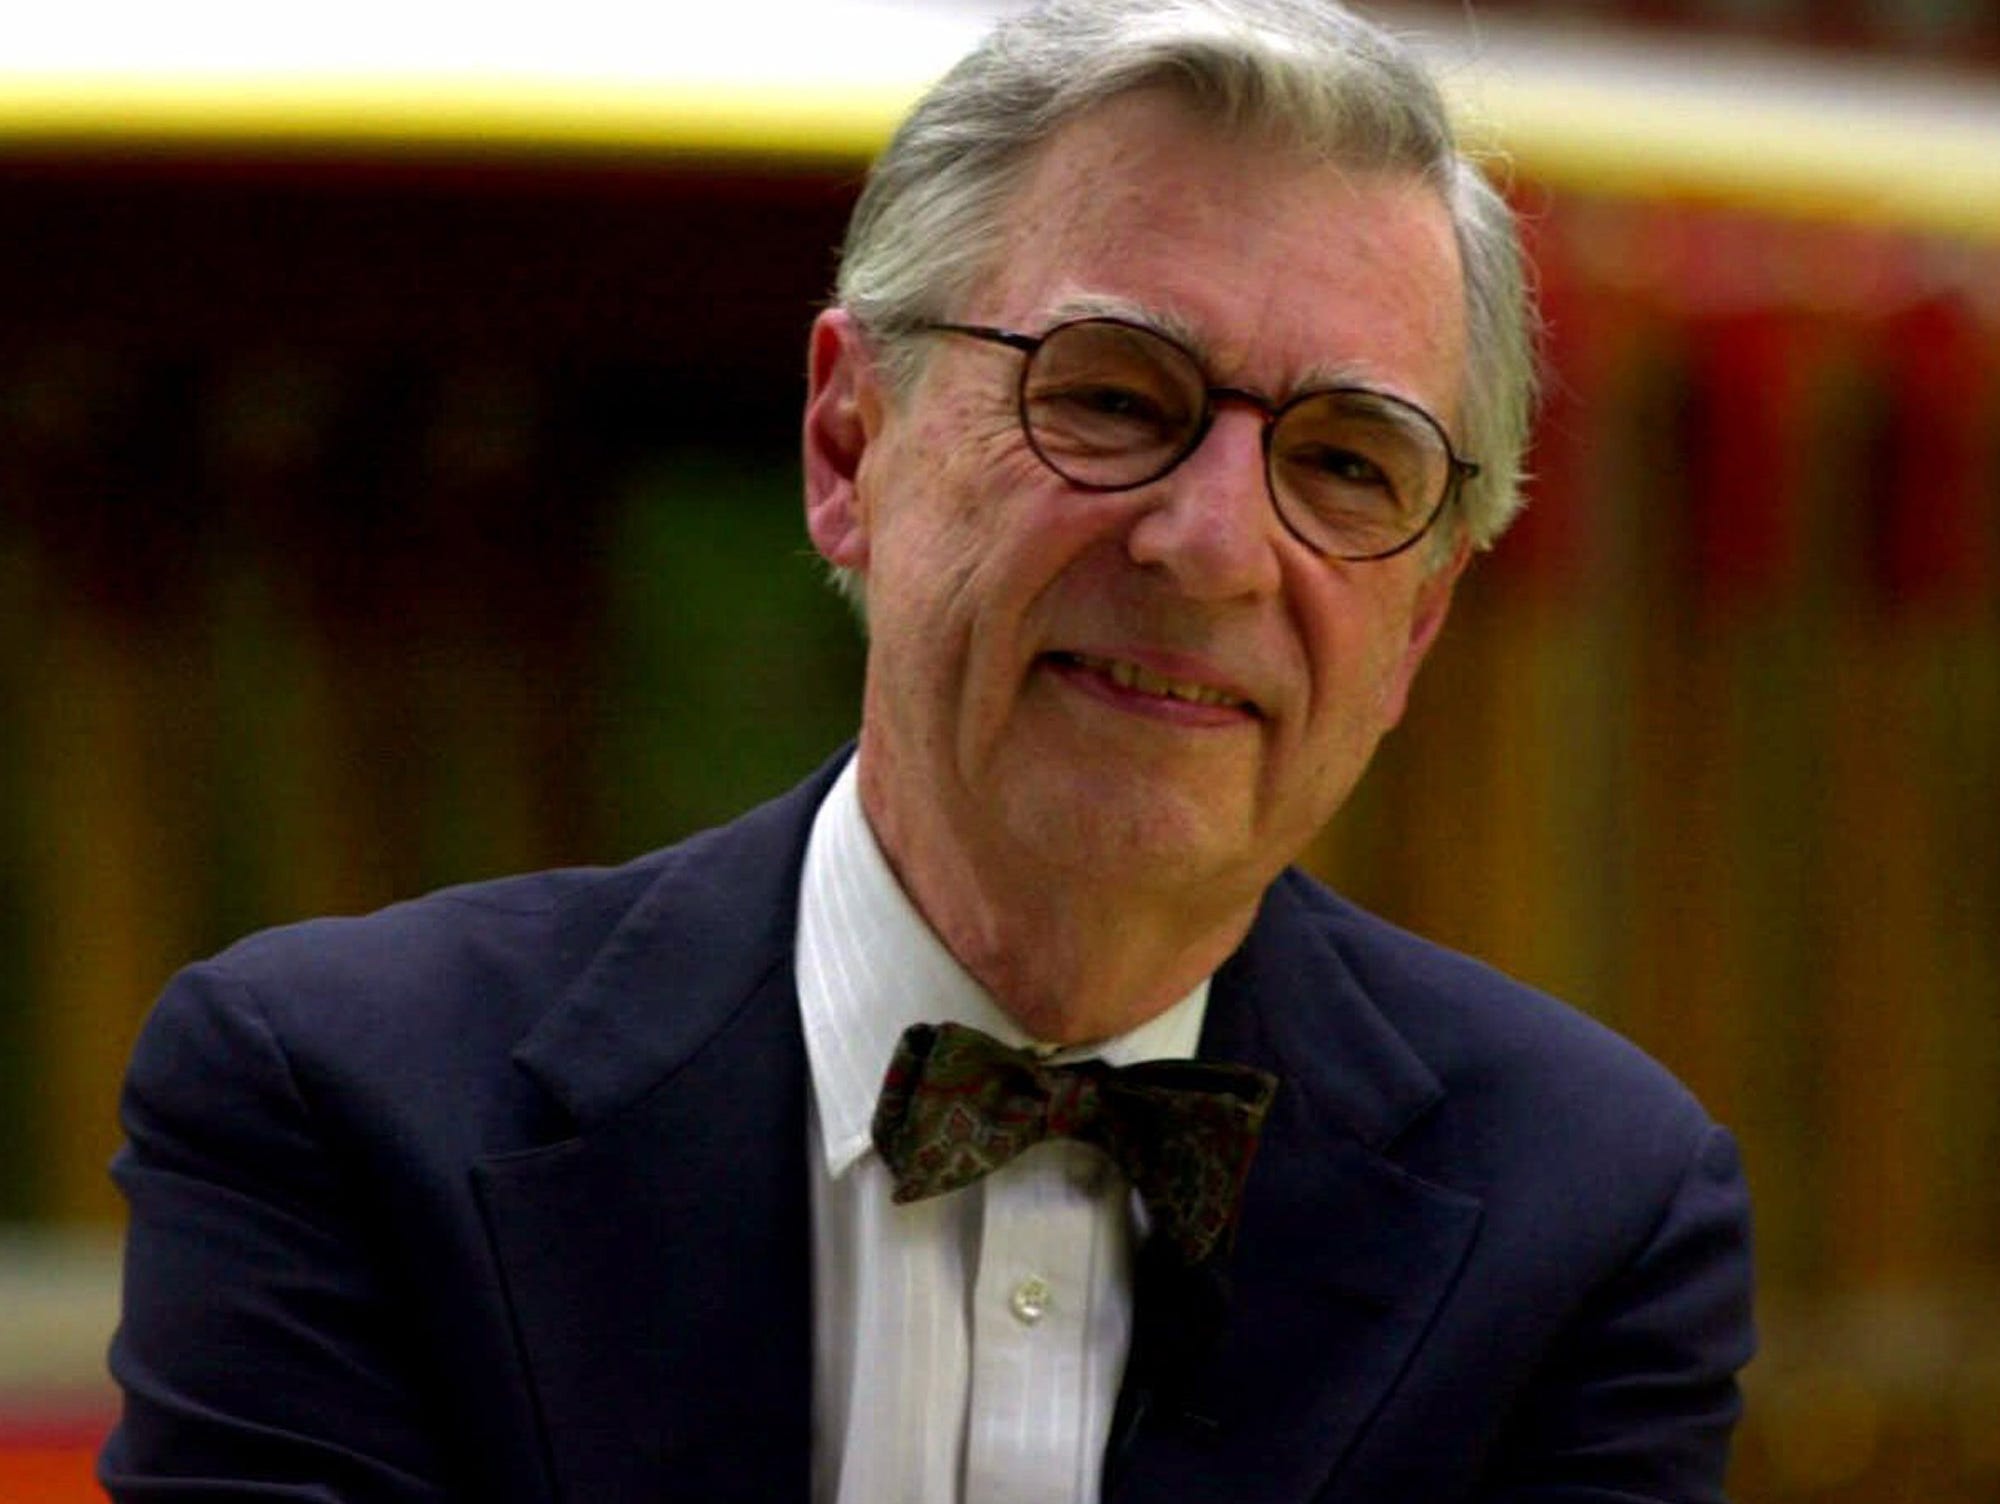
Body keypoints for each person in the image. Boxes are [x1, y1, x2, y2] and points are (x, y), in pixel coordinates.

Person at [101, 1, 1755, 1500]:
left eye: (1344, 464)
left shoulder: (1594, 1221)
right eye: (1110, 398)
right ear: (850, 446)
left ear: (1419, 626)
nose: (1214, 547)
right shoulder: (336, 1106)